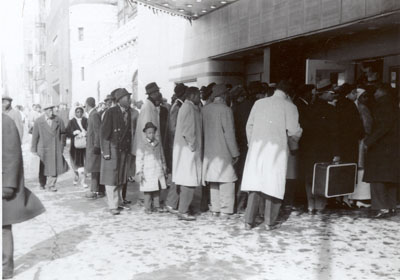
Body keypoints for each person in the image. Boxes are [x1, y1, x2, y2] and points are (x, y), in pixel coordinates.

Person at [241, 80, 302, 230]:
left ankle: (248, 221)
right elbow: (294, 131)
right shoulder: (290, 106)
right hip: (277, 151)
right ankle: (269, 222)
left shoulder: (259, 103)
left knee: (255, 184)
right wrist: (296, 140)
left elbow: (249, 126)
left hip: (257, 148)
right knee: (273, 184)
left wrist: (252, 143)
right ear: (289, 93)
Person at [2, 114, 46, 279]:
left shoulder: (5, 122)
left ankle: (6, 270)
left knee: (3, 229)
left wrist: (7, 184)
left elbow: (13, 156)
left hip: (2, 185)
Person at [302, 79, 341, 213]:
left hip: (307, 150)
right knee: (322, 177)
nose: (333, 95)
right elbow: (335, 133)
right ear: (323, 94)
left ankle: (310, 205)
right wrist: (336, 152)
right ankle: (319, 206)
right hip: (324, 150)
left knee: (309, 177)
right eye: (331, 93)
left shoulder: (308, 108)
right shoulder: (331, 110)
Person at [202, 84, 240, 218]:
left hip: (209, 151)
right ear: (224, 95)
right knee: (226, 181)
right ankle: (226, 210)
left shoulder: (205, 110)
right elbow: (229, 133)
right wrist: (235, 152)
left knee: (213, 180)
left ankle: (215, 208)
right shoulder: (226, 110)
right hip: (223, 151)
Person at [363, 84, 399, 218]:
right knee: (391, 179)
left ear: (382, 91)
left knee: (377, 178)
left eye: (376, 91)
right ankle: (391, 207)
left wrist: (368, 141)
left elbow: (383, 126)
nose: (374, 93)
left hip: (381, 148)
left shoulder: (382, 105)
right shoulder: (394, 105)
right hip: (393, 147)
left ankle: (380, 208)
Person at [172, 87, 203, 221]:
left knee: (186, 180)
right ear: (192, 95)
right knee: (188, 181)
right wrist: (193, 146)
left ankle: (183, 208)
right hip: (188, 150)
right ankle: (183, 211)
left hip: (185, 150)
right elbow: (188, 131)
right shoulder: (189, 108)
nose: (199, 98)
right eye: (198, 96)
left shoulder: (187, 107)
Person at [100, 88, 132, 215]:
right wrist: (106, 152)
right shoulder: (111, 112)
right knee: (111, 177)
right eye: (127, 97)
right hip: (112, 149)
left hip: (123, 150)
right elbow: (104, 134)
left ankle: (118, 202)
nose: (129, 99)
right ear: (120, 100)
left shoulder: (127, 112)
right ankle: (112, 205)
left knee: (120, 177)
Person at [31, 104, 69, 192]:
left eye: (52, 109)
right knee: (43, 167)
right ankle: (42, 183)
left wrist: (62, 145)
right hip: (43, 148)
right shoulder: (39, 121)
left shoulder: (58, 120)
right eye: (49, 110)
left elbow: (63, 133)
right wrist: (33, 149)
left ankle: (51, 185)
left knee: (54, 166)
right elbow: (35, 136)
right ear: (45, 111)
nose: (51, 111)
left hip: (55, 147)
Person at [165, 83, 188, 213]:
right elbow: (173, 129)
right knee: (176, 175)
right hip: (176, 146)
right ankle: (171, 202)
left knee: (179, 174)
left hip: (177, 145)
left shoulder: (180, 105)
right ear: (183, 93)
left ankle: (175, 202)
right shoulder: (177, 107)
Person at [136, 122, 167, 214]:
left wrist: (164, 166)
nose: (151, 135)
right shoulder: (142, 145)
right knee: (148, 191)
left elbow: (162, 156)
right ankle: (147, 207)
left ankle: (157, 206)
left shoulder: (158, 143)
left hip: (157, 169)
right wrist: (139, 171)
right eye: (149, 133)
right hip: (147, 171)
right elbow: (139, 159)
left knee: (157, 189)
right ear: (145, 133)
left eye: (153, 132)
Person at [232, 85, 253, 213]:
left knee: (239, 176)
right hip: (248, 145)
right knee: (245, 176)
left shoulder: (235, 109)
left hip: (239, 145)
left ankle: (238, 204)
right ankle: (241, 205)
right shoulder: (250, 106)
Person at [84, 97, 105, 199]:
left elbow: (98, 131)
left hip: (93, 147)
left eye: (85, 105)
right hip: (92, 145)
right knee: (95, 168)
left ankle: (94, 191)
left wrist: (97, 145)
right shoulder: (93, 114)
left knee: (94, 168)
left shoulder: (94, 115)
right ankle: (100, 190)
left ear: (87, 105)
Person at [66, 106, 88, 187]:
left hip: (84, 144)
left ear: (83, 112)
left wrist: (85, 132)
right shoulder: (72, 122)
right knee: (76, 162)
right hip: (75, 146)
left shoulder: (86, 120)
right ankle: (76, 176)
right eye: (77, 112)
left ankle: (83, 180)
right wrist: (73, 133)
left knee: (84, 162)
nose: (79, 113)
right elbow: (67, 132)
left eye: (80, 112)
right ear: (75, 113)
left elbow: (89, 129)